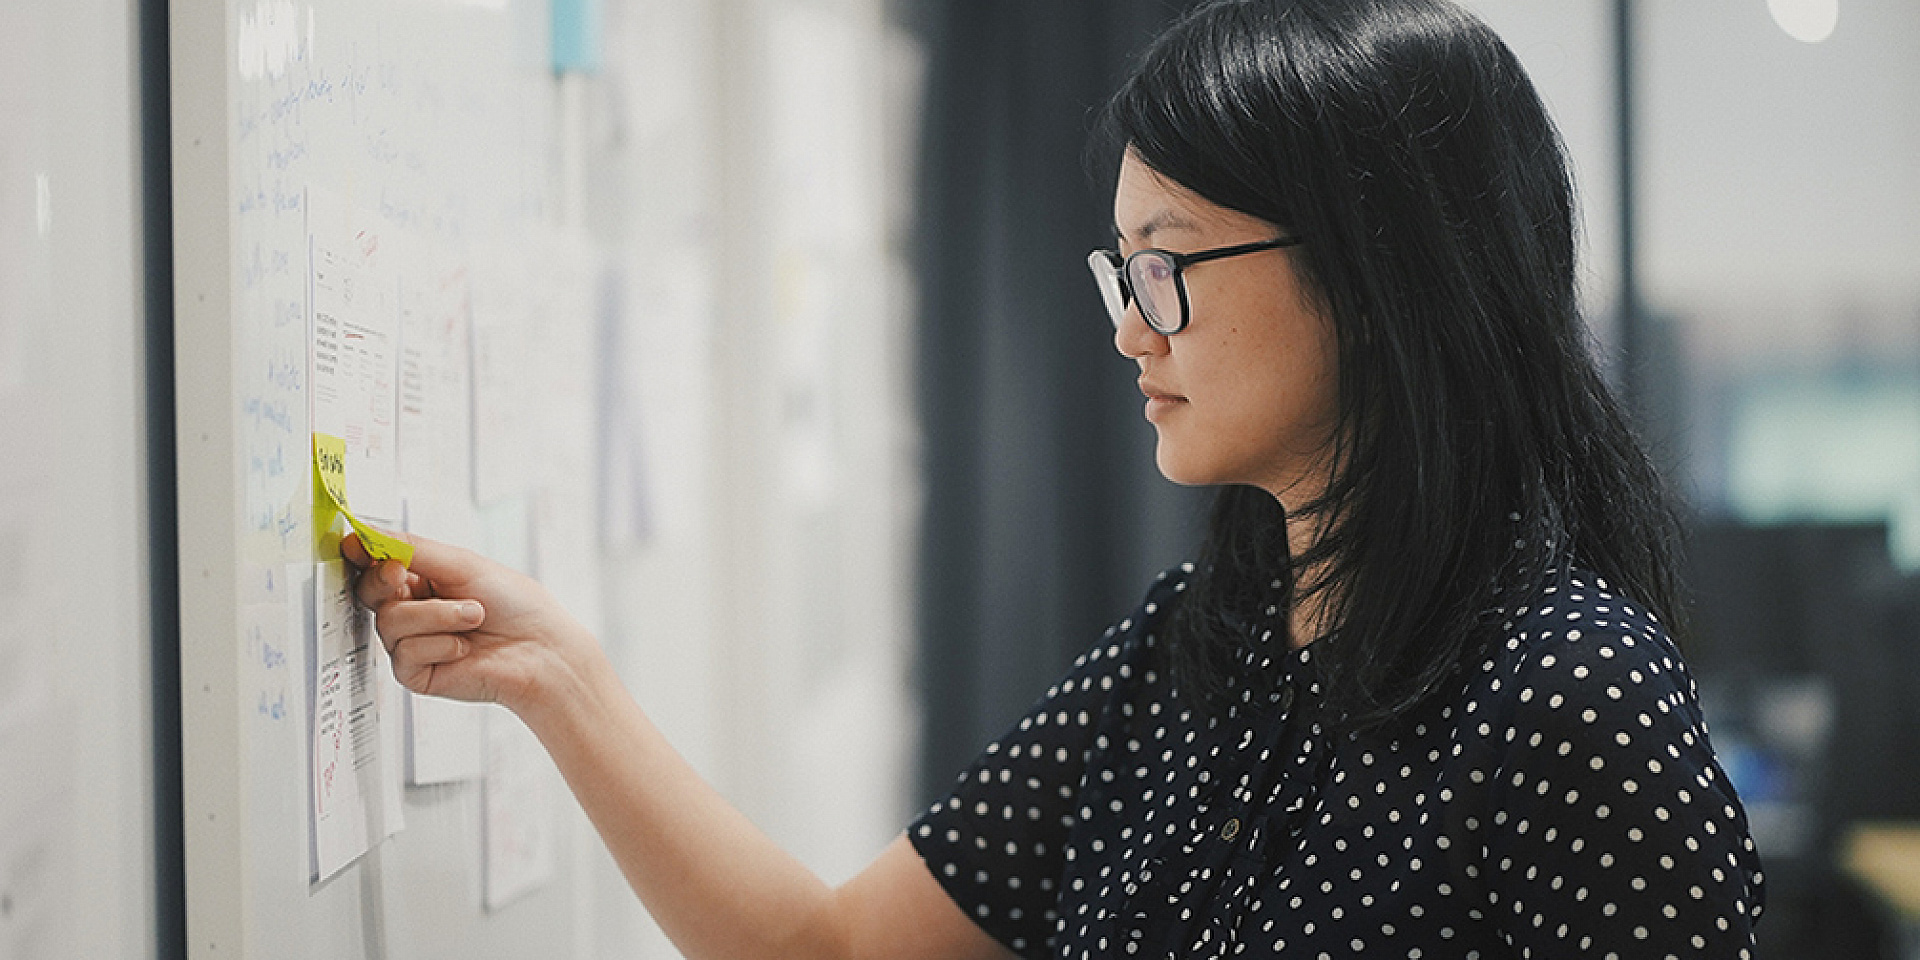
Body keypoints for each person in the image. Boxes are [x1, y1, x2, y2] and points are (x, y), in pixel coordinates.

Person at [348, 0, 1764, 956]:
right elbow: (831, 949)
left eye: (1171, 263)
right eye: (1120, 266)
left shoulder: (1571, 691)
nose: (1128, 323)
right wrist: (564, 683)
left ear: (1378, 275)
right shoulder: (1191, 647)